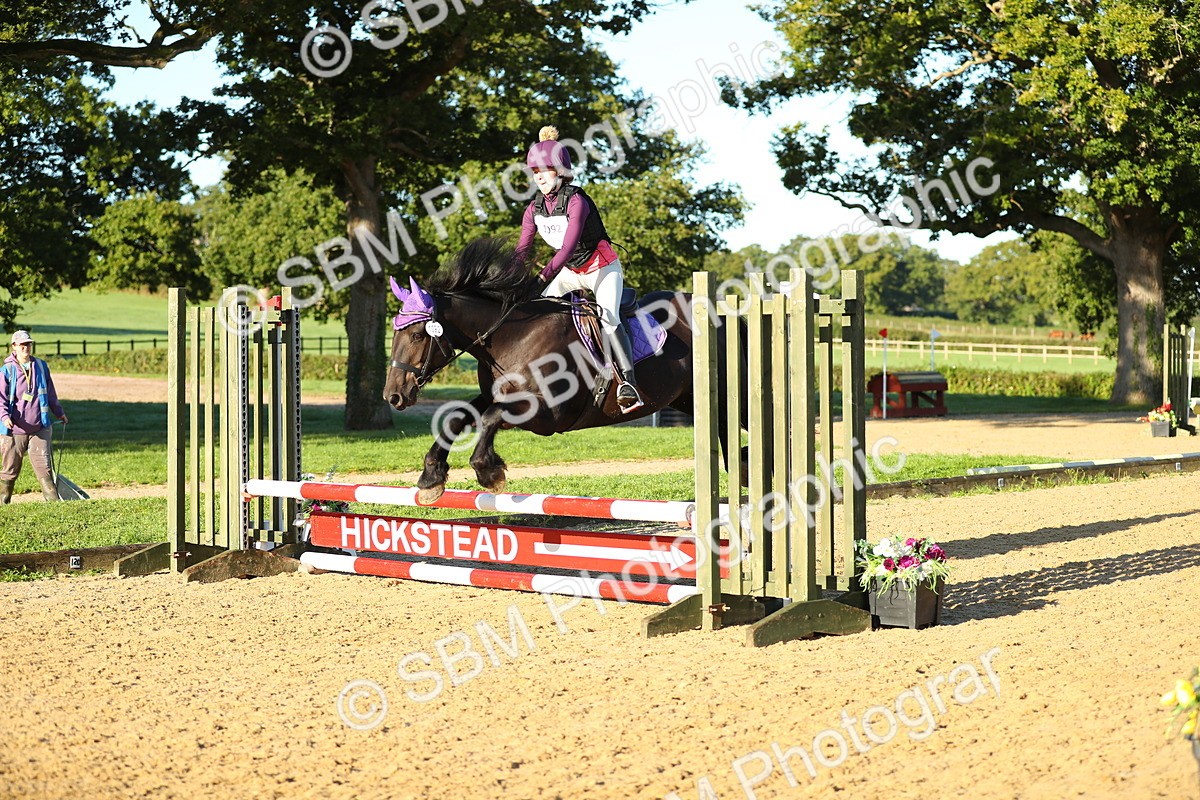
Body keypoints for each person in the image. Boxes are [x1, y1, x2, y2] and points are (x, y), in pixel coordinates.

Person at [516, 125, 644, 413]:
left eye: (545, 171)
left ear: (560, 172)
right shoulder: (533, 209)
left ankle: (628, 384)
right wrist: (507, 278)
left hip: (602, 267)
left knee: (609, 318)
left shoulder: (577, 201)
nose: (539, 177)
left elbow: (568, 248)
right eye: (535, 172)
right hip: (571, 271)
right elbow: (521, 250)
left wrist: (542, 276)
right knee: (541, 309)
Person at [0, 331, 68, 503]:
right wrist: (4, 416)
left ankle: (55, 506)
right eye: (22, 344)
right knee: (10, 469)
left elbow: (50, 393)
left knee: (44, 469)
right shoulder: (7, 370)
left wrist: (59, 412)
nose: (26, 347)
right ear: (13, 346)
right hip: (14, 429)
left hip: (40, 427)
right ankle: (3, 503)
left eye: (28, 344)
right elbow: (0, 398)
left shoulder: (41, 366)